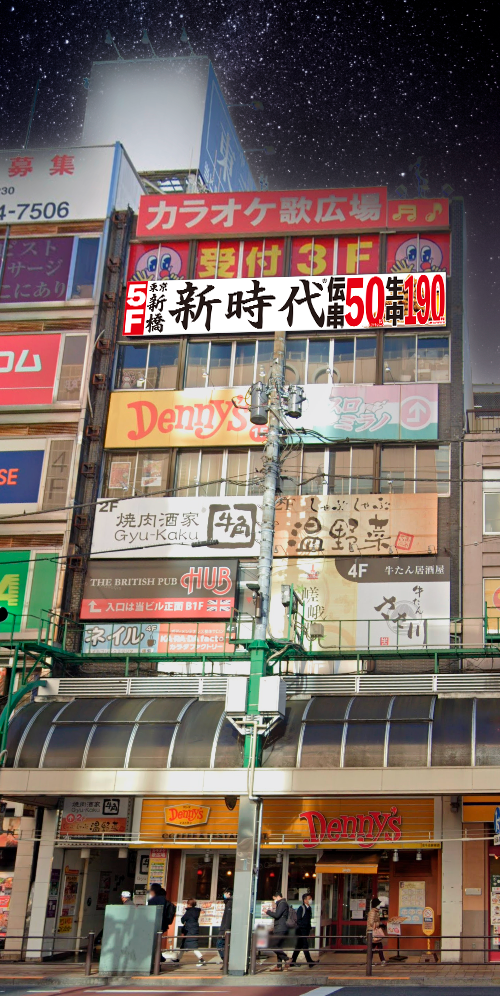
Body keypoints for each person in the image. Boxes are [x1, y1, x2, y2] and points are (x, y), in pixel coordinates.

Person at [164, 899, 205, 968]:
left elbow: (183, 919)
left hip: (189, 931)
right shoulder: (196, 911)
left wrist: (183, 930)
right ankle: (177, 959)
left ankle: (201, 959)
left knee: (193, 946)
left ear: (189, 904)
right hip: (193, 930)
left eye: (187, 904)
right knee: (183, 946)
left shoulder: (189, 912)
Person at [288, 892, 316, 968]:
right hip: (301, 931)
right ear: (305, 900)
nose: (311, 900)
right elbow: (299, 920)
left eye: (311, 898)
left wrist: (310, 930)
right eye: (309, 899)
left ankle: (292, 962)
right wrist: (303, 928)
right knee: (305, 946)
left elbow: (308, 920)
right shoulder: (301, 908)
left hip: (306, 930)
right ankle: (310, 962)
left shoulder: (309, 908)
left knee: (298, 946)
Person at [266, 890, 289, 971]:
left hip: (280, 928)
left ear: (278, 897)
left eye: (274, 899)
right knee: (278, 947)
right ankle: (279, 966)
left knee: (273, 945)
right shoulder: (281, 904)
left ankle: (287, 959)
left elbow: (277, 915)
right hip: (279, 927)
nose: (274, 900)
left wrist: (268, 912)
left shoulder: (282, 904)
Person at [366, 897, 386, 966]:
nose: (380, 905)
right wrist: (379, 924)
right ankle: (371, 962)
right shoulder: (372, 912)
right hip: (372, 932)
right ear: (376, 905)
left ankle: (381, 960)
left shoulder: (376, 912)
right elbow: (371, 923)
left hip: (374, 932)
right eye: (378, 904)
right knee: (373, 947)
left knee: (377, 946)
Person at [217, 889, 233, 968]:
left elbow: (228, 917)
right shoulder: (229, 902)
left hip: (225, 929)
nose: (224, 895)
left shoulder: (230, 903)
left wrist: (226, 929)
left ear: (228, 893)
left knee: (219, 944)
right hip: (225, 928)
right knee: (224, 945)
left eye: (225, 893)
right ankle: (226, 961)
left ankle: (226, 961)